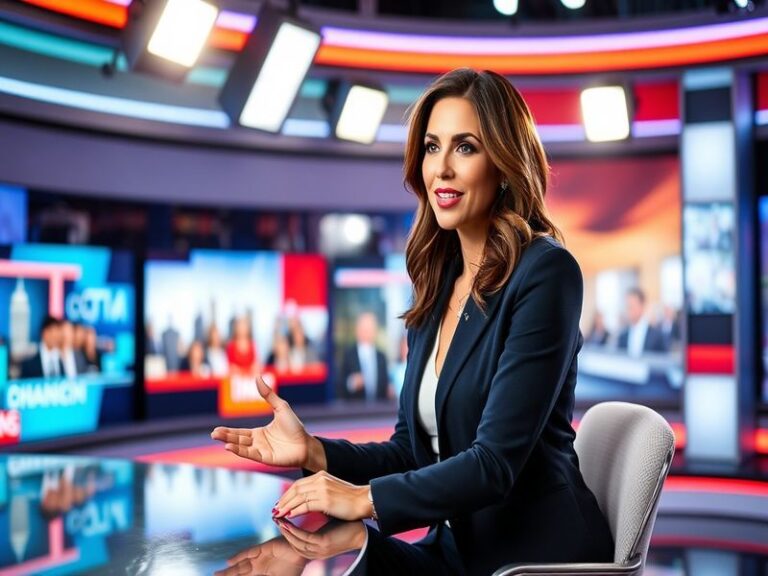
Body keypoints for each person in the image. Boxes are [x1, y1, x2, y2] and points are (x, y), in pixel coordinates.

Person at [212, 68, 614, 575]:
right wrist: (313, 452)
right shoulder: (438, 283)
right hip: (456, 550)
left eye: (465, 147)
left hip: (530, 559)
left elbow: (494, 466)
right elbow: (411, 450)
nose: (441, 168)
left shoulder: (546, 273)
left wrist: (361, 499)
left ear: (504, 163)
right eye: (431, 147)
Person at [337, 312, 391, 401]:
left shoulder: (381, 357)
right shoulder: (349, 355)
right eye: (365, 329)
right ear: (357, 330)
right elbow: (339, 384)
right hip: (355, 407)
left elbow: (385, 386)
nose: (367, 332)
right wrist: (352, 383)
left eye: (370, 329)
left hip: (379, 408)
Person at [617, 288, 666, 357]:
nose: (628, 310)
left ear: (642, 306)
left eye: (632, 306)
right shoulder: (622, 336)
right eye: (627, 306)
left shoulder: (657, 336)